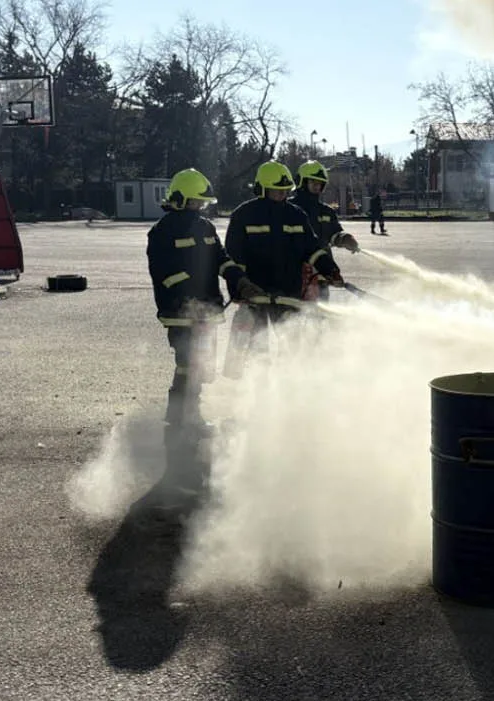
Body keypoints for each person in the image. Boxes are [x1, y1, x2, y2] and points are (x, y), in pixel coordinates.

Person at [146, 167, 264, 485]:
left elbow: (221, 259)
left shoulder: (205, 227)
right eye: (196, 202)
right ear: (181, 199)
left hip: (207, 312)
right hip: (182, 314)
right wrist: (192, 302)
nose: (201, 207)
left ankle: (193, 415)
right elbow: (165, 273)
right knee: (187, 365)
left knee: (202, 366)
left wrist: (239, 281)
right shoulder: (162, 231)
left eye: (203, 202)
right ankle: (177, 420)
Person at [222, 160, 346, 375]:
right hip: (255, 293)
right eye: (276, 191)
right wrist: (239, 288)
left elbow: (312, 247)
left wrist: (329, 269)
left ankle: (289, 393)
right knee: (256, 350)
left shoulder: (296, 214)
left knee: (291, 346)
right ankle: (254, 394)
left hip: (289, 293)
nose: (281, 195)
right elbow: (234, 256)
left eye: (284, 191)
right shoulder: (244, 215)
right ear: (262, 189)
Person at [289, 160, 358, 302]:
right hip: (295, 272)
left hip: (323, 271)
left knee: (320, 314)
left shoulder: (327, 211)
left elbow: (334, 234)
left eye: (320, 184)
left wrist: (345, 239)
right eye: (313, 182)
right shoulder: (288, 208)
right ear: (302, 182)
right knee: (293, 313)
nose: (317, 187)